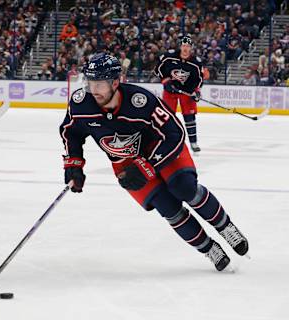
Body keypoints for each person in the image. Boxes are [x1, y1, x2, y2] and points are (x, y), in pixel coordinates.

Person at [59, 52, 249, 271]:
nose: (93, 91)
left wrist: (149, 165)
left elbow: (175, 132)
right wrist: (73, 166)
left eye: (99, 84)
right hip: (125, 162)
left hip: (161, 148)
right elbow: (70, 132)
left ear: (115, 82)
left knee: (184, 188)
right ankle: (209, 249)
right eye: (90, 83)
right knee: (168, 207)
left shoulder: (141, 101)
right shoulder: (81, 104)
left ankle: (225, 227)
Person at [154, 35, 203, 153]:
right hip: (170, 92)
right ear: (180, 46)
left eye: (188, 46)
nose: (185, 49)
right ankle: (166, 140)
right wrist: (165, 81)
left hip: (187, 92)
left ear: (191, 48)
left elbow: (199, 79)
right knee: (167, 117)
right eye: (183, 46)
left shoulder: (196, 63)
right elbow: (157, 69)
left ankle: (193, 142)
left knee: (189, 118)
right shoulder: (169, 57)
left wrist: (196, 91)